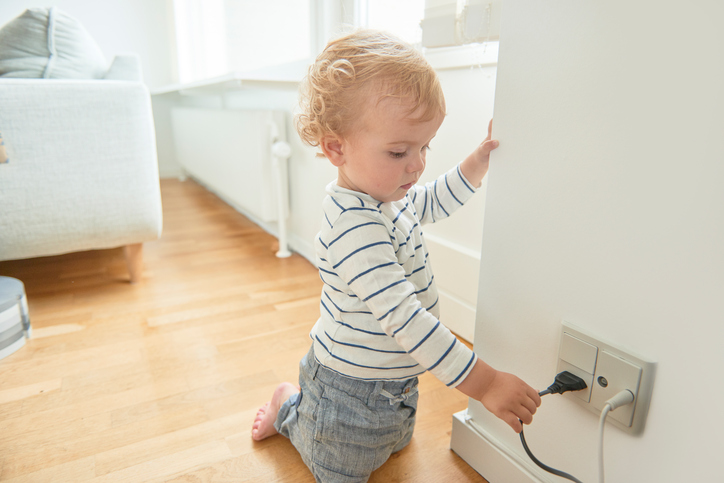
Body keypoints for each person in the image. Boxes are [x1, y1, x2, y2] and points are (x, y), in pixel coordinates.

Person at [251, 29, 541, 482]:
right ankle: (290, 409)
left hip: (395, 385)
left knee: (393, 444)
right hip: (346, 396)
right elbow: (405, 318)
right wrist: (485, 383)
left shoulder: (388, 195)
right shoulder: (353, 227)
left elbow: (432, 201)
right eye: (399, 151)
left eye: (424, 146)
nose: (417, 164)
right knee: (340, 470)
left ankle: (328, 416)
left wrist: (477, 161)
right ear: (335, 148)